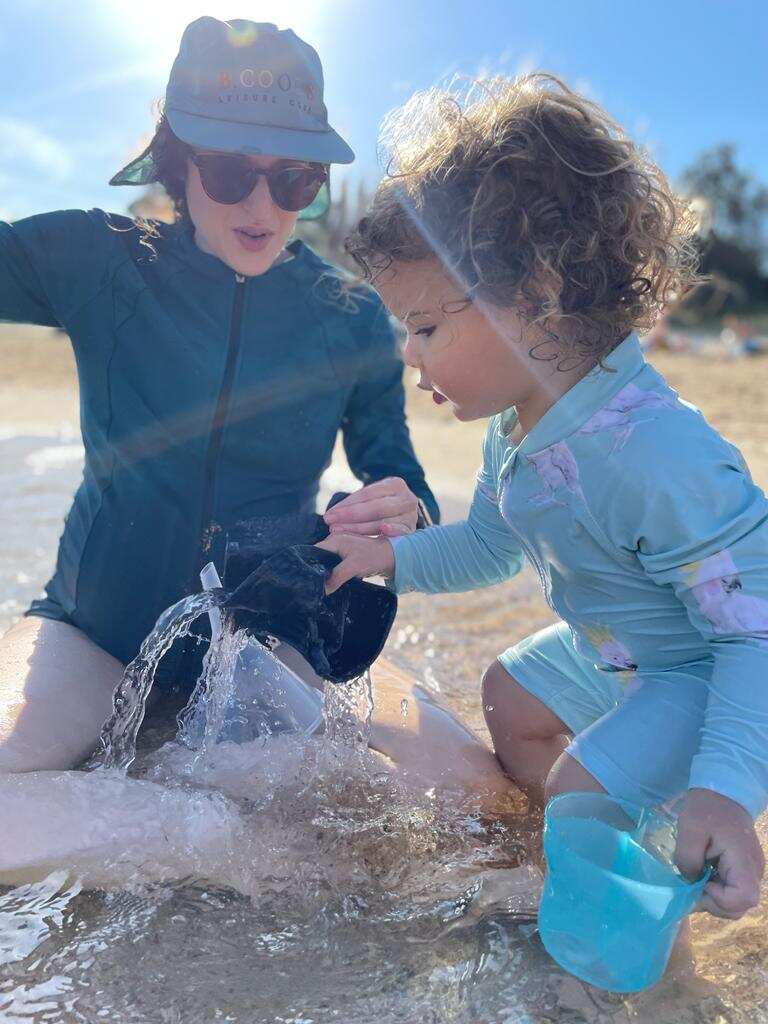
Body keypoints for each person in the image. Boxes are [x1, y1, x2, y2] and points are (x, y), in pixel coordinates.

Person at [319, 74, 768, 922]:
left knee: (578, 791)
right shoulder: (521, 428)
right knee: (510, 697)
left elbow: (757, 628)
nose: (409, 359)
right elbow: (489, 544)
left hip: (708, 672)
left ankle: (634, 907)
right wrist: (390, 559)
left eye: (422, 327)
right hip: (626, 647)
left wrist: (727, 787)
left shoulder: (650, 450)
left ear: (537, 294)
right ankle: (601, 839)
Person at [0, 17, 438, 774]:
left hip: (263, 641)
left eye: (296, 176)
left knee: (435, 802)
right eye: (232, 172)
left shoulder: (351, 315)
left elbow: (402, 482)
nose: (264, 207)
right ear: (178, 162)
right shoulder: (102, 260)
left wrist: (400, 518)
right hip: (91, 634)